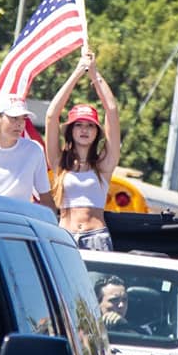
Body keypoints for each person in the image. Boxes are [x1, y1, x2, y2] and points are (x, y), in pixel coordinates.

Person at [45, 47, 120, 250]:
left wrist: (94, 73)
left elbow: (111, 110)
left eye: (89, 126)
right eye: (78, 125)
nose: (84, 130)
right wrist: (78, 71)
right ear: (70, 131)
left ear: (97, 132)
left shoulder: (103, 165)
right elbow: (52, 115)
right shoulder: (60, 163)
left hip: (95, 238)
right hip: (63, 237)